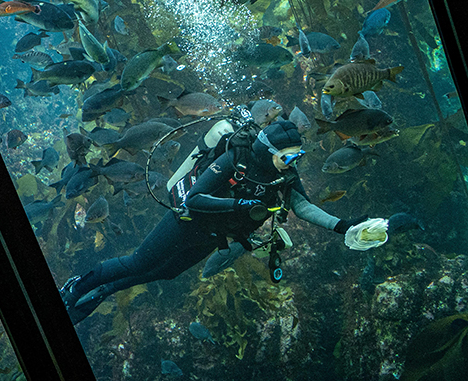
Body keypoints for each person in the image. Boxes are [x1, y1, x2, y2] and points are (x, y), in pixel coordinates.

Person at [60, 118, 389, 324]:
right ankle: (76, 287)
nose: (292, 163)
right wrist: (241, 203)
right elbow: (195, 198)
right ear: (269, 150)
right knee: (139, 262)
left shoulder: (285, 174)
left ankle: (103, 290)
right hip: (186, 222)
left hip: (213, 235)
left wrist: (343, 226)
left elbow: (302, 206)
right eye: (287, 156)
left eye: (297, 157)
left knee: (166, 272)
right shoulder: (235, 159)